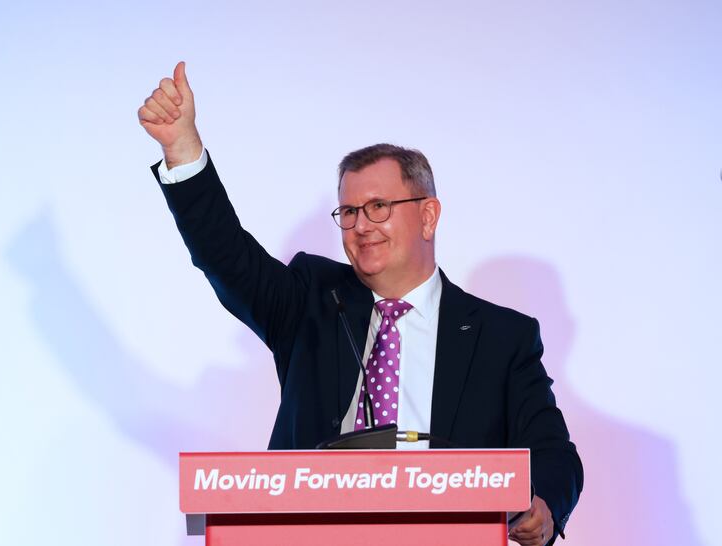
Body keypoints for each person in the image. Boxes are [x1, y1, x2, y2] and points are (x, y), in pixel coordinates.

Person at [138, 62, 582, 546]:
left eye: (378, 207)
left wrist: (542, 502)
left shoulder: (502, 338)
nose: (361, 225)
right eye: (349, 212)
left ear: (428, 216)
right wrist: (183, 150)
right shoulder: (310, 299)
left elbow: (555, 454)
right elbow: (225, 255)